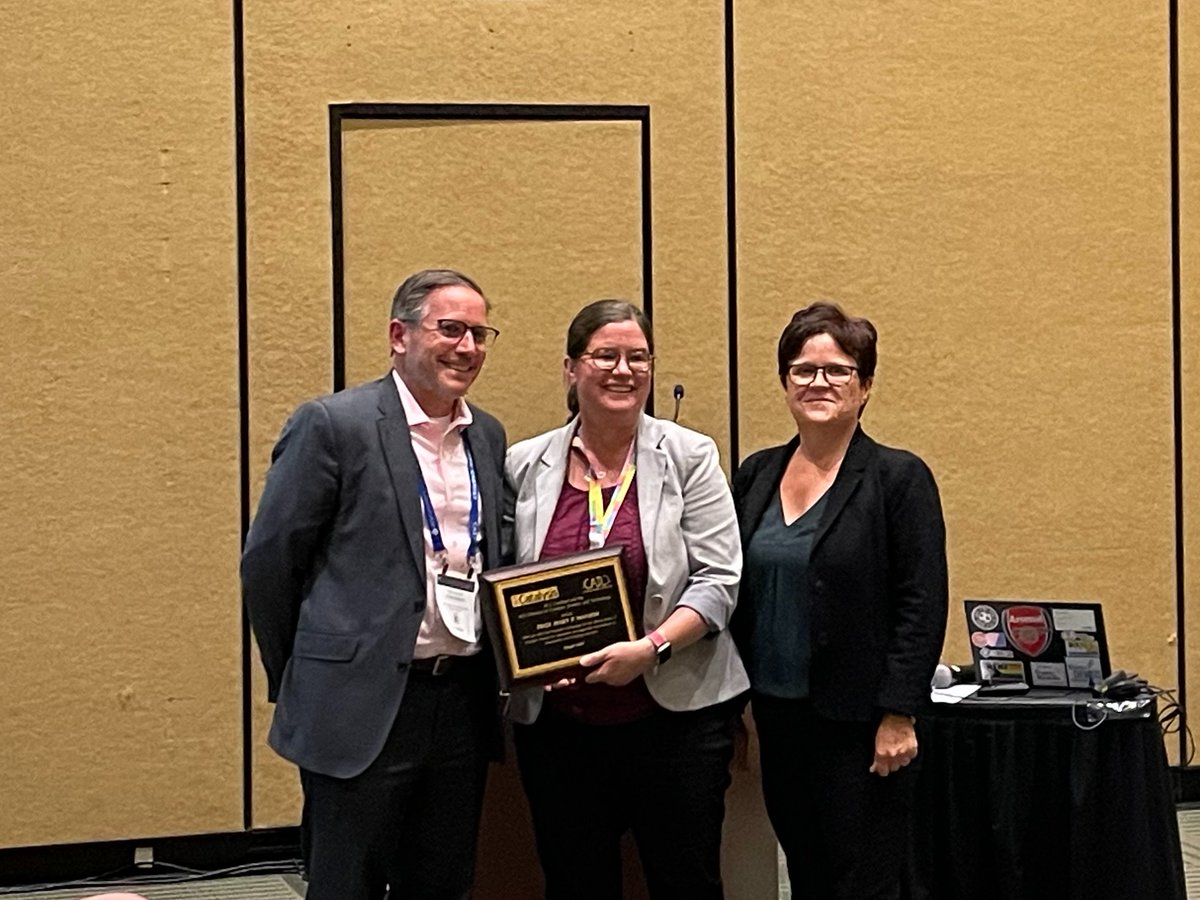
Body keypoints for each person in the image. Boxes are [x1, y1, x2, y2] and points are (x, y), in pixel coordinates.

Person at [241, 268, 507, 900]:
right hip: (358, 704)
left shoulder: (487, 435)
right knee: (346, 884)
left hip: (459, 700)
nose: (467, 347)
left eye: (479, 332)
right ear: (399, 334)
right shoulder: (334, 425)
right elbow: (270, 563)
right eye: (450, 329)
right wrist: (307, 671)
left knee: (443, 881)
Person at [504, 299, 748, 900]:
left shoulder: (690, 456)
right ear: (571, 368)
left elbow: (720, 580)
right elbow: (508, 584)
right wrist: (535, 659)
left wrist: (651, 648)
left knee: (685, 880)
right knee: (574, 881)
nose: (623, 370)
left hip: (675, 718)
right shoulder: (522, 463)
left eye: (638, 358)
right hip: (561, 724)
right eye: (605, 356)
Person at [731, 301, 948, 899]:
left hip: (862, 724)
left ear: (866, 386)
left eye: (837, 370)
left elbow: (921, 603)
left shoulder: (898, 478)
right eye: (802, 369)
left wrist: (900, 713)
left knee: (864, 881)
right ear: (784, 383)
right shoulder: (755, 474)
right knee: (806, 872)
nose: (818, 382)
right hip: (777, 716)